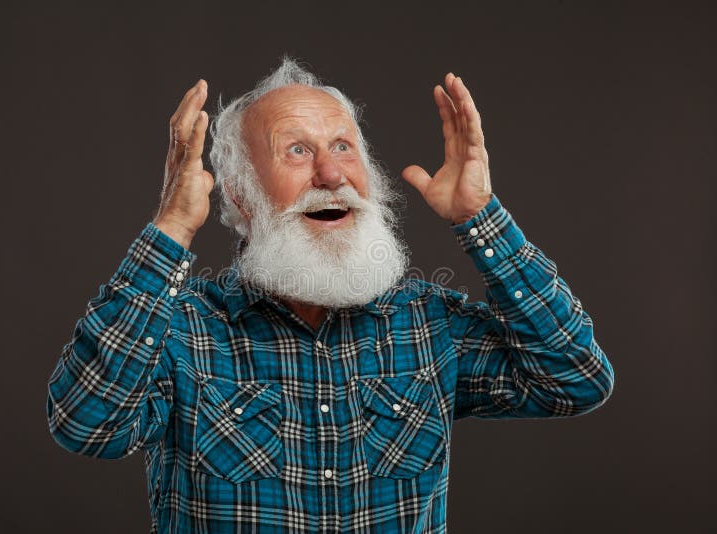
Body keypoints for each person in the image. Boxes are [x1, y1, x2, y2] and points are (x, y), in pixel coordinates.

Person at [46, 58, 615, 533]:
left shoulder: (426, 321)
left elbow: (575, 380)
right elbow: (87, 424)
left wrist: (479, 218)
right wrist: (171, 227)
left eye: (344, 148)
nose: (330, 173)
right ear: (242, 196)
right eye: (296, 151)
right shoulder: (182, 328)